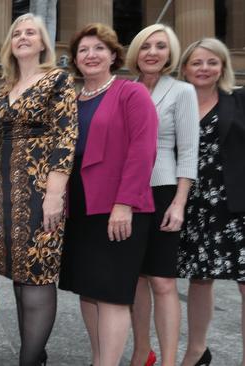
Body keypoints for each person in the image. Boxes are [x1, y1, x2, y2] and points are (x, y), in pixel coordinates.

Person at [58, 23, 158, 366]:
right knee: (88, 291)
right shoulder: (71, 99)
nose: (91, 55)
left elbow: (143, 151)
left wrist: (124, 204)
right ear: (74, 59)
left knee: (112, 295)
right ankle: (100, 359)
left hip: (119, 207)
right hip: (81, 206)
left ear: (113, 55)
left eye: (98, 48)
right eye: (83, 50)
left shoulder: (132, 93)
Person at [0, 13, 77, 366]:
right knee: (19, 278)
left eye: (31, 32)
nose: (23, 37)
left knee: (38, 277)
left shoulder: (58, 79)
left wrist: (55, 195)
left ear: (44, 43)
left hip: (41, 192)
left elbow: (66, 136)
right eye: (17, 33)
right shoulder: (4, 88)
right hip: (7, 194)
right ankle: (35, 356)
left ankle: (28, 362)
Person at [125, 24, 200, 366]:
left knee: (163, 281)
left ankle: (169, 361)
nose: (152, 52)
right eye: (145, 46)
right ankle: (143, 352)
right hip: (127, 192)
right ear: (135, 53)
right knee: (135, 278)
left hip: (164, 190)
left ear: (170, 53)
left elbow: (188, 151)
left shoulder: (182, 91)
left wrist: (179, 203)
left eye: (160, 46)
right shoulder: (125, 89)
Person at [177, 38, 245, 366]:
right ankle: (196, 350)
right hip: (193, 203)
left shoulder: (240, 100)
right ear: (185, 68)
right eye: (197, 62)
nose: (204, 69)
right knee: (199, 278)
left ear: (222, 68)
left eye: (211, 62)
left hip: (237, 204)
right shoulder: (177, 101)